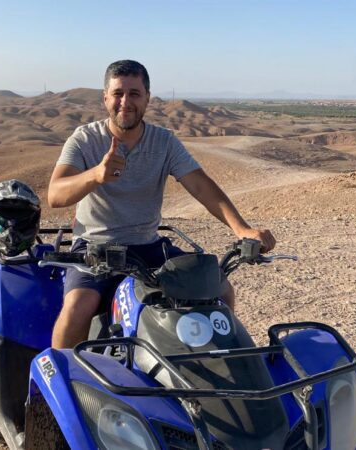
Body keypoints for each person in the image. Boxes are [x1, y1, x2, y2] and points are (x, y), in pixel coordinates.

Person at [48, 60, 275, 349]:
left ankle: (214, 362)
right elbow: (56, 195)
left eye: (134, 93)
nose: (125, 102)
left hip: (148, 246)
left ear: (147, 98)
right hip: (96, 247)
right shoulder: (85, 139)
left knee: (220, 291)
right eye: (118, 93)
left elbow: (200, 185)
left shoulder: (163, 142)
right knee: (79, 307)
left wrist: (242, 229)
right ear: (105, 98)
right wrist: (95, 175)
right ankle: (57, 386)